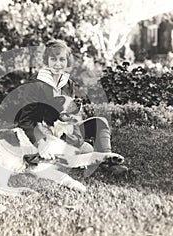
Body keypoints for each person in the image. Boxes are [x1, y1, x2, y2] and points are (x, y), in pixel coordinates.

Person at [15, 39, 127, 174]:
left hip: (64, 132)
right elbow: (25, 121)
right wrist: (41, 142)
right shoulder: (35, 85)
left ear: (67, 61)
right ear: (46, 61)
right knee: (87, 150)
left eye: (62, 59)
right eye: (53, 59)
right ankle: (76, 157)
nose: (58, 64)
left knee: (100, 123)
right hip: (45, 135)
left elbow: (71, 116)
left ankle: (110, 163)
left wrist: (76, 137)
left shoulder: (68, 84)